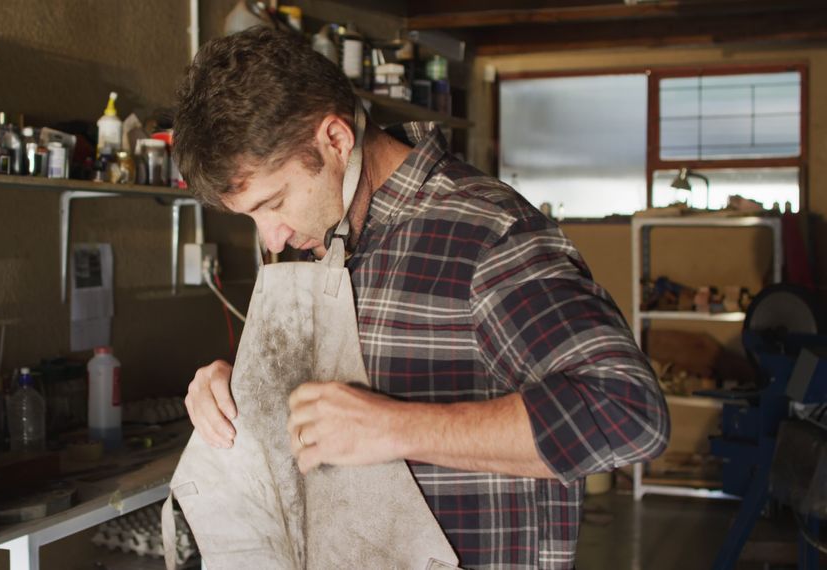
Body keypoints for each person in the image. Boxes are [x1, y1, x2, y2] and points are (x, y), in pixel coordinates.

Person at [173, 27, 669, 569]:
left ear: (335, 140)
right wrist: (239, 395)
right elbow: (323, 418)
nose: (271, 238)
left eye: (275, 202)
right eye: (252, 216)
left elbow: (628, 412)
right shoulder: (323, 240)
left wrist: (396, 427)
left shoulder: (487, 234)